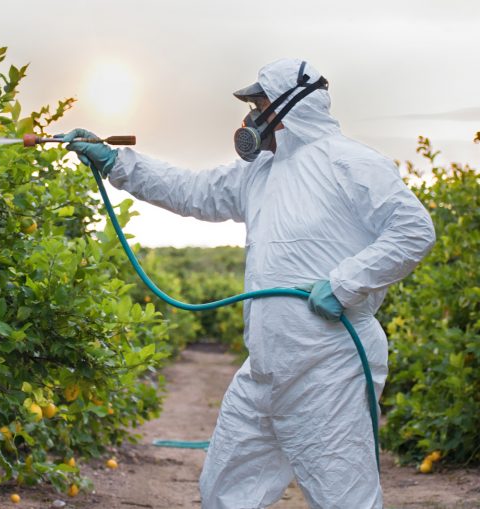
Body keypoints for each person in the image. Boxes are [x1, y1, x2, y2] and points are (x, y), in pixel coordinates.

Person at [62, 58, 436, 508]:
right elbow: (192, 190)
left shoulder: (351, 162)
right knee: (225, 492)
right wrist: (115, 163)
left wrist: (345, 284)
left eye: (257, 104)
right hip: (265, 368)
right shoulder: (261, 172)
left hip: (329, 367)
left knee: (344, 499)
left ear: (286, 108)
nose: (248, 117)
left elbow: (413, 230)